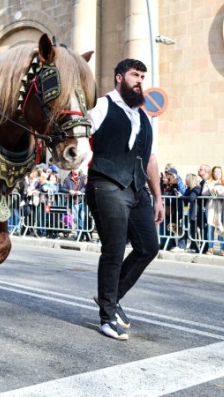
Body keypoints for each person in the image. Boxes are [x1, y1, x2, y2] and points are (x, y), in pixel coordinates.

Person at [86, 58, 163, 341]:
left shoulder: (144, 116)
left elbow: (151, 158)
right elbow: (81, 135)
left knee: (148, 247)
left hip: (137, 189)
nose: (140, 80)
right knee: (114, 248)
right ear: (119, 77)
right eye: (134, 75)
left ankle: (111, 296)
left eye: (143, 75)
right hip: (106, 183)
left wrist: (158, 196)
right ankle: (107, 317)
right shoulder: (103, 105)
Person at [201, 166, 224, 255]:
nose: (217, 174)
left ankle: (222, 248)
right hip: (210, 207)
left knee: (220, 227)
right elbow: (203, 193)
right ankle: (210, 248)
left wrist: (218, 192)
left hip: (221, 207)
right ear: (212, 173)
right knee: (210, 227)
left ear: (221, 173)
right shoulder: (208, 182)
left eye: (219, 172)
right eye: (215, 172)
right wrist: (210, 189)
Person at [59, 168, 89, 241]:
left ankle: (80, 234)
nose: (76, 171)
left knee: (82, 217)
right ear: (72, 170)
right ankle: (80, 233)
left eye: (77, 169)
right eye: (75, 169)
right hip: (73, 201)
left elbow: (86, 186)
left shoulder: (83, 177)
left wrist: (80, 192)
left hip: (82, 200)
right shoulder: (67, 178)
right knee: (76, 218)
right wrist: (69, 191)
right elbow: (62, 188)